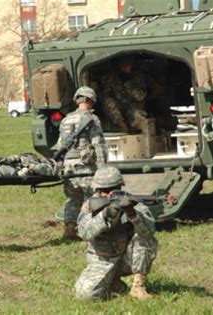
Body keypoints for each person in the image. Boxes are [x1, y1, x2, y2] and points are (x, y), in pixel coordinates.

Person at [75, 167, 158, 300]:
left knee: (145, 239)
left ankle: (138, 286)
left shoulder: (130, 201)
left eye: (114, 189)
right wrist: (105, 215)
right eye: (105, 191)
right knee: (85, 295)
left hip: (126, 258)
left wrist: (133, 214)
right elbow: (84, 232)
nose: (109, 195)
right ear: (97, 190)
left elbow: (149, 231)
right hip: (101, 260)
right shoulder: (90, 205)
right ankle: (112, 281)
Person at [57, 86, 108, 239]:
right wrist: (103, 168)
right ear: (91, 101)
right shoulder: (92, 119)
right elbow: (98, 144)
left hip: (68, 166)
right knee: (90, 198)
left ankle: (70, 229)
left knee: (73, 198)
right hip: (85, 167)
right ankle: (88, 230)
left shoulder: (66, 119)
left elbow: (61, 145)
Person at [101, 55, 148, 134]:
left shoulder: (137, 76)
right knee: (108, 102)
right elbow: (104, 94)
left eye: (127, 65)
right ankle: (122, 127)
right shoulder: (112, 76)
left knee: (137, 116)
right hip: (118, 106)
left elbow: (140, 97)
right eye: (122, 65)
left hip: (133, 105)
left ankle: (134, 132)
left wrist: (127, 83)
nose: (125, 67)